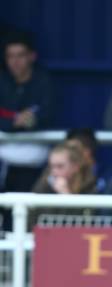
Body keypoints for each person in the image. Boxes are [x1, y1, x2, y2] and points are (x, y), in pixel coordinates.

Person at [0, 31, 55, 193]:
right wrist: (14, 121)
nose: (15, 62)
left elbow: (47, 116)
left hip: (33, 160)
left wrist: (30, 121)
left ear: (32, 56)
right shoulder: (2, 82)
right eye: (10, 56)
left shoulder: (44, 82)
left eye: (20, 55)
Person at [30, 141, 96, 227]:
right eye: (52, 166)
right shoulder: (44, 185)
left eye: (60, 166)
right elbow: (33, 220)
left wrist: (66, 195)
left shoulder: (89, 186)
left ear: (75, 167)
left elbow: (86, 222)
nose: (54, 172)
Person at [66, 128, 107, 192]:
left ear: (88, 150)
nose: (70, 155)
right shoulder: (59, 174)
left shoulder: (107, 175)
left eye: (74, 150)